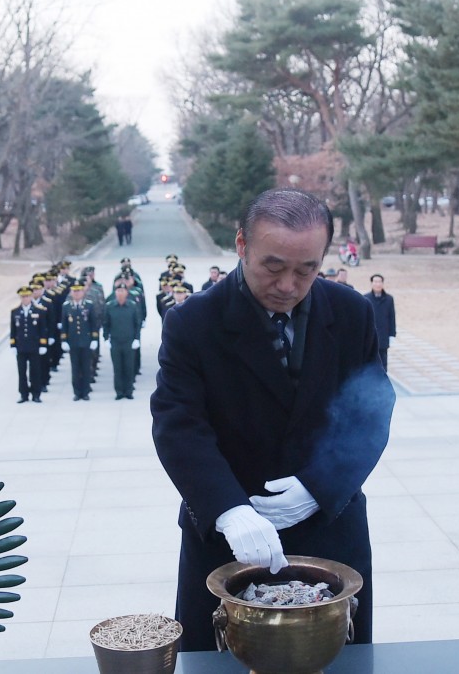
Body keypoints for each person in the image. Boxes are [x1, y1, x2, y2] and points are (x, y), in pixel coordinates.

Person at [151, 188, 395, 652]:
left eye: (307, 269)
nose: (288, 285)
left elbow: (371, 411)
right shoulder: (193, 322)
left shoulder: (351, 313)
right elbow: (178, 424)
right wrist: (227, 509)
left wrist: (318, 487)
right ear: (242, 244)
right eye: (273, 266)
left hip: (329, 526)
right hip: (229, 536)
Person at [102, 283, 142, 400]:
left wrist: (136, 339)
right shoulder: (110, 306)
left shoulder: (132, 306)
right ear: (115, 293)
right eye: (118, 291)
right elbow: (106, 324)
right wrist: (105, 338)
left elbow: (137, 324)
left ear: (126, 293)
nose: (120, 293)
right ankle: (119, 392)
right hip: (115, 341)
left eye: (122, 291)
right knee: (117, 368)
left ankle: (129, 391)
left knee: (129, 368)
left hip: (129, 341)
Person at [10, 286, 48, 403]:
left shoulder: (39, 311)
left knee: (35, 371)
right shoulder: (15, 312)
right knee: (22, 372)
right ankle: (23, 394)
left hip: (34, 346)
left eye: (27, 296)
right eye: (23, 297)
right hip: (21, 347)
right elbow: (13, 331)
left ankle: (36, 394)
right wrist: (13, 345)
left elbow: (43, 329)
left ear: (31, 297)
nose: (25, 299)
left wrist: (43, 344)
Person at [60, 283, 99, 401]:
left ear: (83, 292)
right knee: (75, 368)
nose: (76, 294)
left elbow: (94, 324)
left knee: (86, 368)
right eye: (74, 291)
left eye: (79, 291)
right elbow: (64, 325)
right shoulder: (67, 306)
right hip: (73, 343)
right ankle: (77, 392)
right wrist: (64, 340)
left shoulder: (89, 305)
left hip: (86, 342)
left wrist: (94, 339)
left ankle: (86, 391)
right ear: (71, 293)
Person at [364, 274, 396, 371]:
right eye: (375, 281)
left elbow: (392, 317)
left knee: (383, 360)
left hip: (383, 334)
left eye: (379, 282)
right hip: (370, 334)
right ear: (372, 283)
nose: (377, 284)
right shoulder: (366, 298)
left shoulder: (389, 299)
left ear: (382, 283)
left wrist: (392, 334)